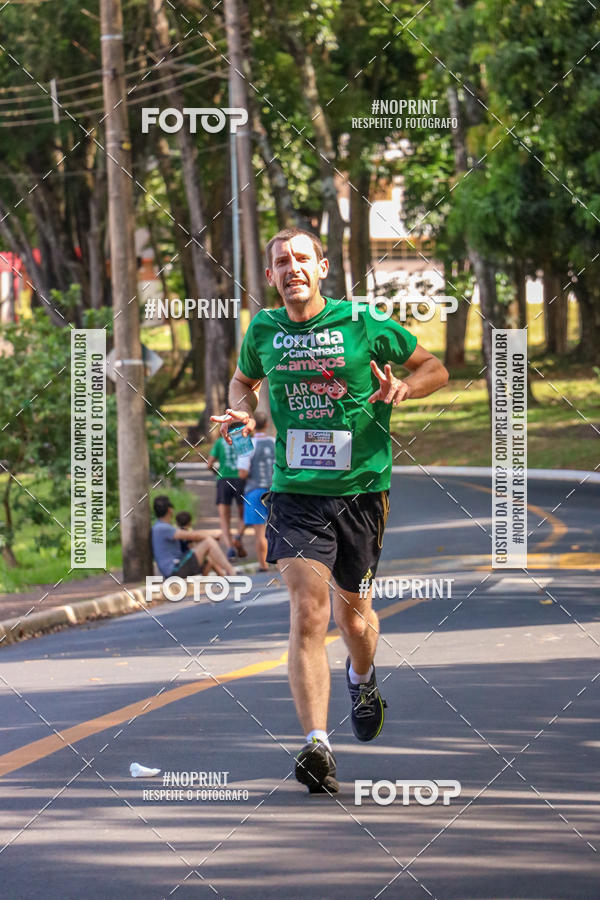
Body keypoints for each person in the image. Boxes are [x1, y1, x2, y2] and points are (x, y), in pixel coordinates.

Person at [211, 227, 448, 794]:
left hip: (362, 490)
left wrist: (404, 391)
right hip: (295, 493)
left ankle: (361, 677)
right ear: (270, 277)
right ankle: (318, 745)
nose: (291, 268)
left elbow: (435, 367)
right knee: (307, 612)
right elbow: (243, 382)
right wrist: (243, 414)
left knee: (355, 621)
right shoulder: (263, 329)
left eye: (301, 259)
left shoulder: (362, 324)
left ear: (321, 269)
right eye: (280, 262)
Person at [151, 495, 235, 579]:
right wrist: (212, 535)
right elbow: (192, 535)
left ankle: (221, 576)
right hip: (174, 571)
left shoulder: (159, 527)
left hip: (175, 568)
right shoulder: (163, 528)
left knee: (207, 555)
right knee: (209, 542)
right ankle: (231, 572)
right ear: (170, 510)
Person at [236, 411, 276, 571]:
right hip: (274, 490)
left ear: (251, 426)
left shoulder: (247, 445)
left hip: (255, 490)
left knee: (259, 531)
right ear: (266, 425)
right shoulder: (274, 442)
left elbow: (242, 472)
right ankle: (281, 563)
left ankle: (263, 564)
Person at [206, 435, 248, 560]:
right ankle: (238, 537)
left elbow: (209, 464)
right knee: (243, 514)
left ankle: (230, 549)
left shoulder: (220, 442)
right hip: (240, 480)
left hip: (224, 480)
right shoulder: (243, 441)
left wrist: (217, 473)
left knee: (224, 517)